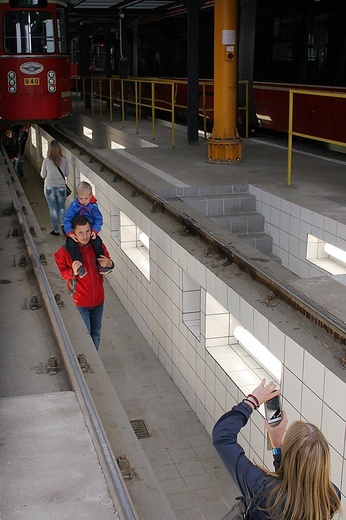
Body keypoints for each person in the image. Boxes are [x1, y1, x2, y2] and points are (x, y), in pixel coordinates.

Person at [212, 379, 341, 520]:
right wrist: (277, 446)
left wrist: (252, 401)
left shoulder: (261, 488)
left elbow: (223, 436)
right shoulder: (332, 496)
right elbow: (293, 482)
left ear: (289, 453)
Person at [54, 215, 114, 350]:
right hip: (79, 302)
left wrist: (110, 264)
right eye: (80, 232)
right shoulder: (64, 252)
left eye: (87, 231)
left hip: (98, 300)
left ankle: (94, 360)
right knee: (85, 335)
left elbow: (108, 264)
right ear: (73, 233)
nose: (85, 236)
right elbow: (57, 273)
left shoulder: (97, 246)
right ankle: (87, 363)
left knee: (96, 333)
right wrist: (72, 272)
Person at [63, 181, 105, 277]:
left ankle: (101, 264)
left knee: (97, 243)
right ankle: (79, 266)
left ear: (90, 196)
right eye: (80, 198)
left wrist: (95, 230)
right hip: (75, 231)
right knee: (71, 244)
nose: (83, 201)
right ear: (77, 196)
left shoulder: (93, 207)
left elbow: (98, 219)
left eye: (86, 198)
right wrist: (69, 232)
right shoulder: (74, 206)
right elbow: (67, 219)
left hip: (90, 231)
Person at [40, 140, 69, 236]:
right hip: (61, 187)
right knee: (61, 208)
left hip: (49, 187)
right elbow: (67, 173)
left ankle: (56, 230)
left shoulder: (46, 160)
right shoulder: (64, 160)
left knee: (52, 209)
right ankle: (64, 226)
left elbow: (43, 175)